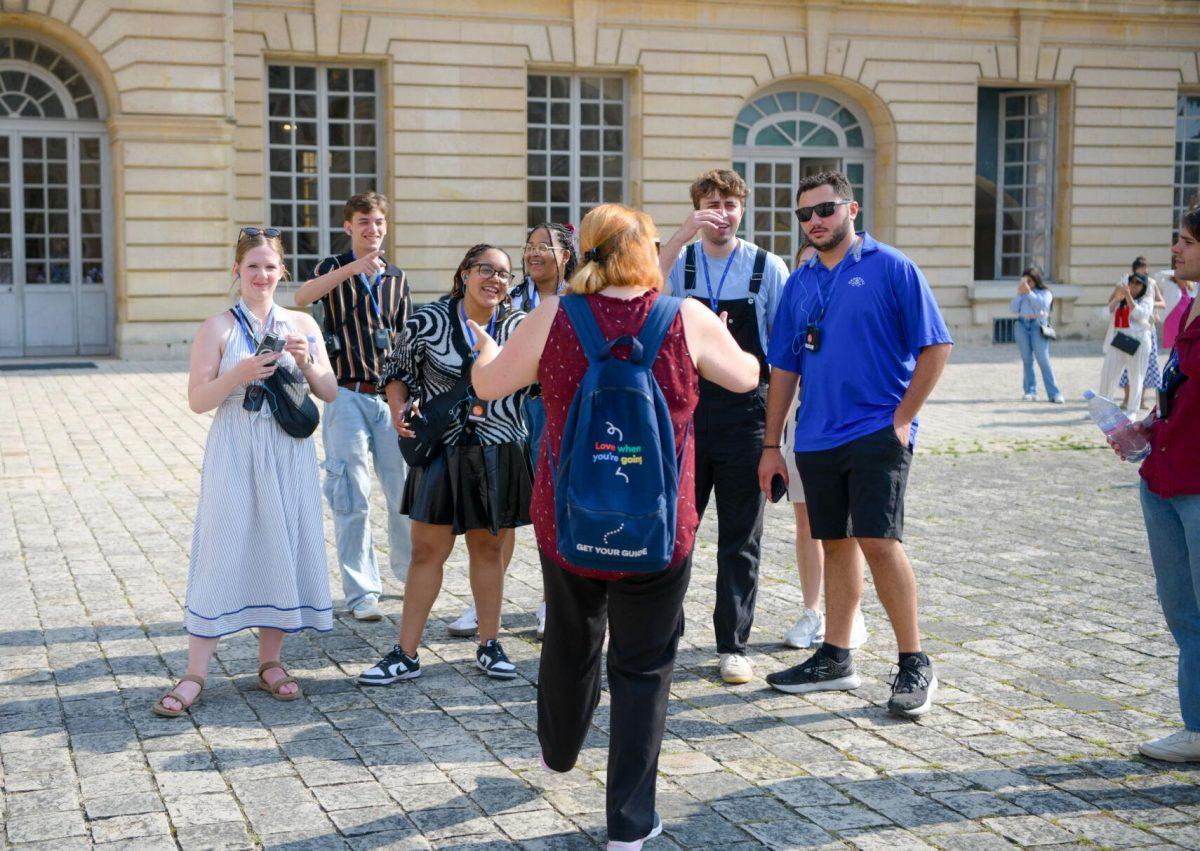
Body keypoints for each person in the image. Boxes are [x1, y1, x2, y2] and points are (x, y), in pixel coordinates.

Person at [467, 203, 758, 849]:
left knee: (572, 640)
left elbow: (488, 385)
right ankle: (629, 821)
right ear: (647, 251)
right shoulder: (686, 317)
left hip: (569, 518)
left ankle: (560, 751)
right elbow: (746, 376)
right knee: (644, 666)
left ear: (586, 251)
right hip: (658, 526)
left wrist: (485, 349)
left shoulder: (553, 317)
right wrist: (720, 340)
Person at [758, 171, 953, 718]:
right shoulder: (800, 282)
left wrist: (903, 418)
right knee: (835, 542)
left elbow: (935, 347)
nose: (815, 221)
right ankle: (836, 656)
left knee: (879, 540)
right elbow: (784, 368)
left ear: (852, 209)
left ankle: (914, 660)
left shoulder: (891, 267)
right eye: (805, 215)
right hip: (816, 435)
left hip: (876, 431)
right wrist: (772, 445)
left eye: (825, 209)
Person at [153, 228, 339, 717]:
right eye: (252, 266)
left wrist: (305, 360)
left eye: (270, 267)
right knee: (222, 547)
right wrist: (238, 373)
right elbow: (198, 400)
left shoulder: (301, 323)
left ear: (282, 272)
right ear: (237, 270)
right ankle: (196, 671)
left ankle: (270, 662)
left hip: (287, 451)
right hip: (235, 448)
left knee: (280, 543)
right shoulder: (218, 327)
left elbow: (329, 390)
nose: (261, 275)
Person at [356, 245, 531, 685]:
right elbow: (395, 373)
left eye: (505, 274)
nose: (495, 279)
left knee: (489, 548)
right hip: (441, 449)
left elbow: (540, 383)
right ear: (465, 274)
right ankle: (406, 652)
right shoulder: (429, 320)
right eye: (485, 269)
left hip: (499, 448)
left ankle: (489, 644)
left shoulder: (520, 326)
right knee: (426, 551)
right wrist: (397, 411)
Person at [657, 169, 789, 685]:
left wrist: (776, 434)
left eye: (730, 204)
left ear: (743, 209)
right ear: (696, 209)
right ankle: (664, 633)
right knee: (675, 532)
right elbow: (644, 286)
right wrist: (681, 234)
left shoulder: (767, 267)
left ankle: (733, 643)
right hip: (683, 413)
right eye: (710, 204)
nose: (721, 213)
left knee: (741, 536)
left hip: (744, 415)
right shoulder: (681, 259)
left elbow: (783, 354)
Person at [446, 222, 578, 641]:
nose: (534, 253)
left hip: (564, 411)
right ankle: (488, 603)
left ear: (567, 256)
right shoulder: (512, 298)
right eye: (531, 246)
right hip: (513, 411)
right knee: (502, 513)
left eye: (545, 247)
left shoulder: (580, 299)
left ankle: (552, 602)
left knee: (556, 507)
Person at [294, 192, 412, 622]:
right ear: (348, 227)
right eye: (364, 222)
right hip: (345, 393)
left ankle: (409, 573)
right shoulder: (331, 268)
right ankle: (362, 591)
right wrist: (351, 269)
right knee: (351, 495)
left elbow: (404, 341)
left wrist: (409, 397)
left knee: (403, 493)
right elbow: (304, 297)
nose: (373, 230)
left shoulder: (397, 277)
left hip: (389, 398)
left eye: (379, 222)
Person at [1115, 207, 1200, 761]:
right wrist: (1148, 424)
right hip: (1163, 479)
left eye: (1188, 242)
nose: (1176, 250)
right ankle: (1196, 728)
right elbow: (1180, 392)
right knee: (1183, 614)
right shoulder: (1187, 312)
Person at [781, 243, 869, 651]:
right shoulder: (794, 298)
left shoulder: (852, 300)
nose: (812, 271)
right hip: (800, 423)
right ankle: (812, 609)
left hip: (848, 423)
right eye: (804, 265)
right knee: (807, 524)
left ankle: (849, 613)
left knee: (848, 528)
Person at [1099, 268, 1156, 419]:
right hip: (1119, 339)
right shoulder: (1121, 299)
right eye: (1132, 282)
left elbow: (1141, 314)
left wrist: (1129, 296)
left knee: (1136, 377)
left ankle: (1132, 411)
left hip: (1138, 342)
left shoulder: (1147, 299)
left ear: (1144, 286)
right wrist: (1117, 298)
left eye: (1138, 283)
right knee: (1108, 374)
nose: (1134, 285)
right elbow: (1104, 314)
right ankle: (1103, 408)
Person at [1116, 257, 1167, 411]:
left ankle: (1140, 399)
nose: (1143, 271)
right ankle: (1126, 399)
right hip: (1128, 326)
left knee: (1146, 365)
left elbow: (1162, 303)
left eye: (1145, 268)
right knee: (1127, 365)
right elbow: (1116, 300)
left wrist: (1149, 304)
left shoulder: (1151, 283)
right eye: (1140, 269)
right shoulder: (1127, 283)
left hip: (1146, 327)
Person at [1010, 266, 1064, 403]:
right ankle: (1030, 391)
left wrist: (1029, 293)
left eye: (1030, 280)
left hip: (1038, 326)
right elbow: (1013, 308)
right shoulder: (1023, 293)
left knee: (1043, 359)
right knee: (1027, 359)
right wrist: (1019, 293)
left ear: (1036, 279)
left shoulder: (1045, 292)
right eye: (1025, 280)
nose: (1027, 283)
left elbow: (1042, 305)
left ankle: (1054, 393)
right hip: (1022, 325)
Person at [1162, 271, 1198, 350]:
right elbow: (1159, 275)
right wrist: (1176, 272)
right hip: (1172, 323)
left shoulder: (1191, 288)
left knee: (1183, 345)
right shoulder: (1171, 286)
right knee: (1172, 347)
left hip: (1185, 322)